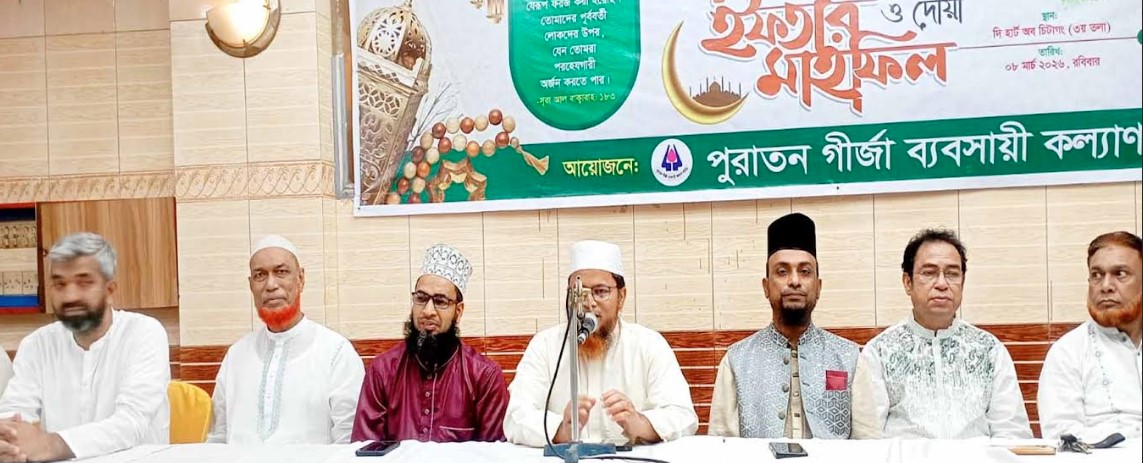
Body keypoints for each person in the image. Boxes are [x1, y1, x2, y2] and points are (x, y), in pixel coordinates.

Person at [503, 240, 697, 447]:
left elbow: (683, 416)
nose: (589, 303)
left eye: (601, 292)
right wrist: (561, 430)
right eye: (579, 293)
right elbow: (516, 417)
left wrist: (640, 423)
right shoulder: (545, 345)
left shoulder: (649, 344)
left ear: (621, 297)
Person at [0, 232, 170, 462]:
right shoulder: (36, 345)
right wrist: (9, 443)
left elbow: (131, 423)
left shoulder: (143, 333)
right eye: (59, 284)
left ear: (110, 290)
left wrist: (50, 444)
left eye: (84, 282)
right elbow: (13, 413)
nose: (70, 296)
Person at [851, 229, 1031, 439]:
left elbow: (1012, 433)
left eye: (952, 274)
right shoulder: (880, 352)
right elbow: (868, 437)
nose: (942, 284)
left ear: (963, 282)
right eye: (929, 273)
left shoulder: (989, 350)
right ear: (908, 282)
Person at [709, 212, 860, 439]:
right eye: (782, 271)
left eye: (805, 271)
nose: (794, 281)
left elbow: (868, 442)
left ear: (818, 287)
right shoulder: (737, 360)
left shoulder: (849, 357)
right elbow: (721, 444)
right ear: (766, 286)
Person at [207, 235, 364, 444]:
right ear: (251, 285)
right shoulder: (236, 355)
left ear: (301, 279)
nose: (271, 285)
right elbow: (218, 438)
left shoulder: (336, 352)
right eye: (260, 275)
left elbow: (349, 442)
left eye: (281, 272)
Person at [352, 244, 509, 442]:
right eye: (421, 298)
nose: (428, 311)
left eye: (441, 301)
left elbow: (496, 454)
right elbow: (365, 450)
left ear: (458, 311)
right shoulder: (382, 371)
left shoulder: (484, 376)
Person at [1038, 231, 1142, 441]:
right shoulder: (1068, 351)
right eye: (1096, 275)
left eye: (1120, 273)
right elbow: (1062, 434)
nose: (1105, 286)